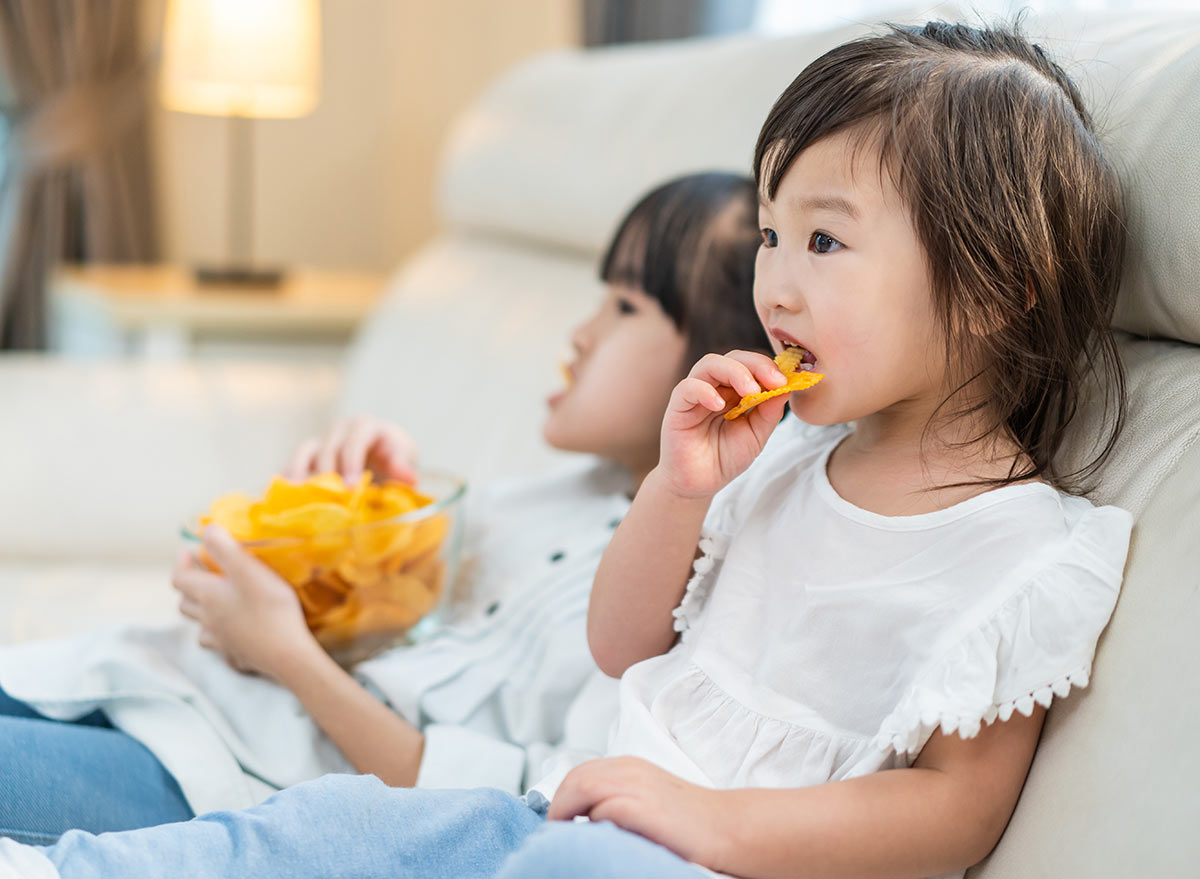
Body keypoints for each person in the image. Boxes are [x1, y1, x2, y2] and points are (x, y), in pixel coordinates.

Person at [7, 20, 1134, 879]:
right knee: (328, 824)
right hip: (564, 804)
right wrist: (676, 488)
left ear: (996, 286)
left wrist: (707, 818)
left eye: (825, 240)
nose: (774, 281)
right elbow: (619, 642)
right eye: (775, 234)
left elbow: (953, 817)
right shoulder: (785, 458)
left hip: (699, 858)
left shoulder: (1027, 552)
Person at [0, 172, 769, 844]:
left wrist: (287, 656)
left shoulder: (679, 599)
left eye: (626, 306)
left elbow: (496, 807)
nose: (580, 332)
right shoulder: (556, 497)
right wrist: (367, 516)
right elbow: (385, 629)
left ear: (724, 360)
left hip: (223, 772)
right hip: (163, 685)